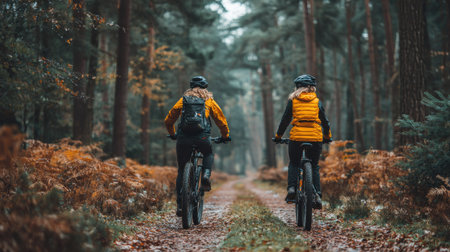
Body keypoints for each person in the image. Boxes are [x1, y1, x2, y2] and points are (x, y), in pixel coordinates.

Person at [164, 76, 231, 216]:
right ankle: (206, 175)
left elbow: (169, 119)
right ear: (205, 88)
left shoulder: (183, 100)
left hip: (184, 138)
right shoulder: (209, 101)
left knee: (182, 169)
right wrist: (225, 136)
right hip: (203, 137)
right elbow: (221, 121)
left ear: (191, 87)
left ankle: (181, 206)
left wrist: (173, 133)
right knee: (208, 153)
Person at [273, 74, 332, 209]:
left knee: (294, 163)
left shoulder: (293, 101)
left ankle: (292, 189)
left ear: (297, 88)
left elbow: (285, 121)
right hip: (315, 138)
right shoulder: (317, 102)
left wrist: (278, 136)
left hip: (297, 138)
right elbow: (325, 122)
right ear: (312, 88)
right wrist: (327, 137)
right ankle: (317, 194)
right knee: (315, 165)